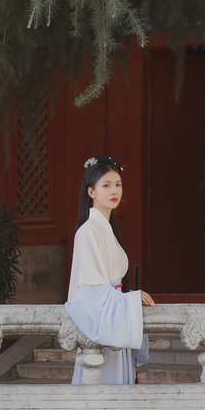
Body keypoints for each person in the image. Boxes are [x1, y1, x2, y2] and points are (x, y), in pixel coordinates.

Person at [65, 155, 155, 384]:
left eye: (118, 184)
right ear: (91, 192)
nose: (114, 191)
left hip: (113, 314)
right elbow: (91, 290)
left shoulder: (106, 230)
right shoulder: (88, 232)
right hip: (106, 319)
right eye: (106, 185)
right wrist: (129, 300)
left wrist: (126, 298)